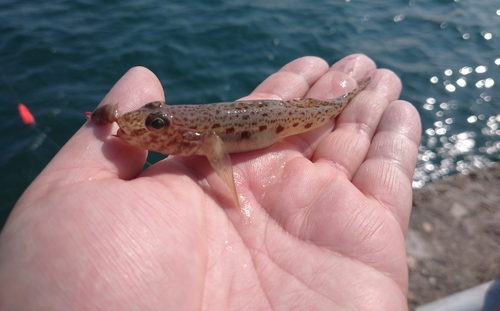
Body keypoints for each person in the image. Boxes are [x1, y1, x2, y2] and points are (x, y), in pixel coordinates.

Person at [0, 55, 421, 310]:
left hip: (281, 119)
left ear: (186, 133)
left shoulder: (201, 140)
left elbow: (215, 151)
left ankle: (352, 93)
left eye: (156, 121)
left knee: (338, 102)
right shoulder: (186, 136)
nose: (146, 126)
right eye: (154, 119)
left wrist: (230, 191)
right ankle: (351, 93)